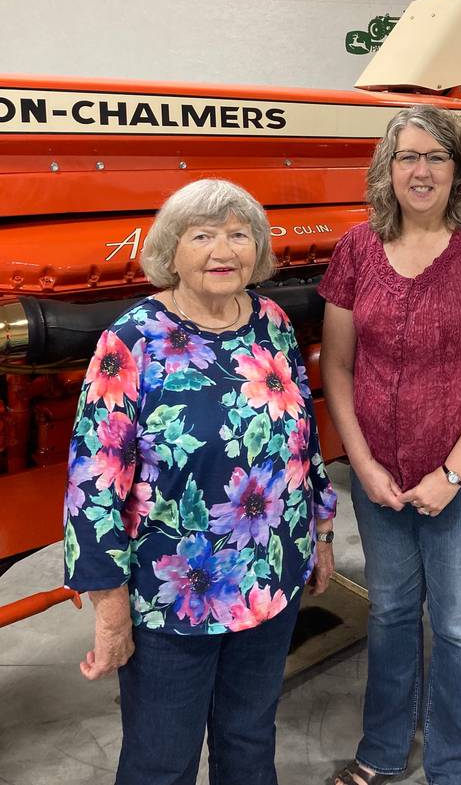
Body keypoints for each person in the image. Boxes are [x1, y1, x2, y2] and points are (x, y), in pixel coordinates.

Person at [63, 178, 337, 785]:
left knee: (248, 740)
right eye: (203, 235)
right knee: (162, 760)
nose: (224, 250)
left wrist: (320, 532)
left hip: (270, 579)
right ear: (172, 250)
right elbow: (94, 481)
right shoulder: (133, 339)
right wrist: (110, 611)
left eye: (239, 234)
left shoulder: (271, 322)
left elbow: (302, 438)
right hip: (174, 595)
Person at [319, 105, 461, 785]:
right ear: (387, 169)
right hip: (380, 478)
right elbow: (339, 367)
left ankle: (455, 765)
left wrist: (451, 473)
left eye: (436, 157)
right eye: (408, 156)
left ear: (458, 171)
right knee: (390, 613)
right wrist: (364, 463)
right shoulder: (356, 249)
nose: (421, 170)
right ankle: (383, 749)